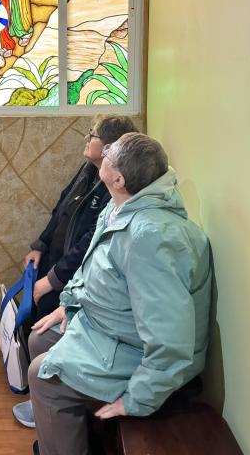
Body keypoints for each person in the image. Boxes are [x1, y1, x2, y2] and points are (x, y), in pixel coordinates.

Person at [28, 133, 212, 455]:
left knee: (40, 376)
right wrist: (68, 306)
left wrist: (137, 399)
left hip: (136, 352)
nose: (106, 148)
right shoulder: (123, 205)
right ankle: (69, 430)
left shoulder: (149, 239)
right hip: (113, 330)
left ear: (118, 178)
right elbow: (92, 268)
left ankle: (62, 435)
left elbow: (170, 341)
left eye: (112, 150)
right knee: (39, 338)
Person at [13, 116, 138, 429]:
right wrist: (40, 244)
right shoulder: (88, 171)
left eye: (92, 135)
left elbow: (88, 245)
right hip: (58, 264)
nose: (86, 138)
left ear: (109, 149)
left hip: (72, 274)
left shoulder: (115, 191)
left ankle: (50, 397)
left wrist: (52, 281)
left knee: (41, 325)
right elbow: (61, 208)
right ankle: (44, 399)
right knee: (36, 326)